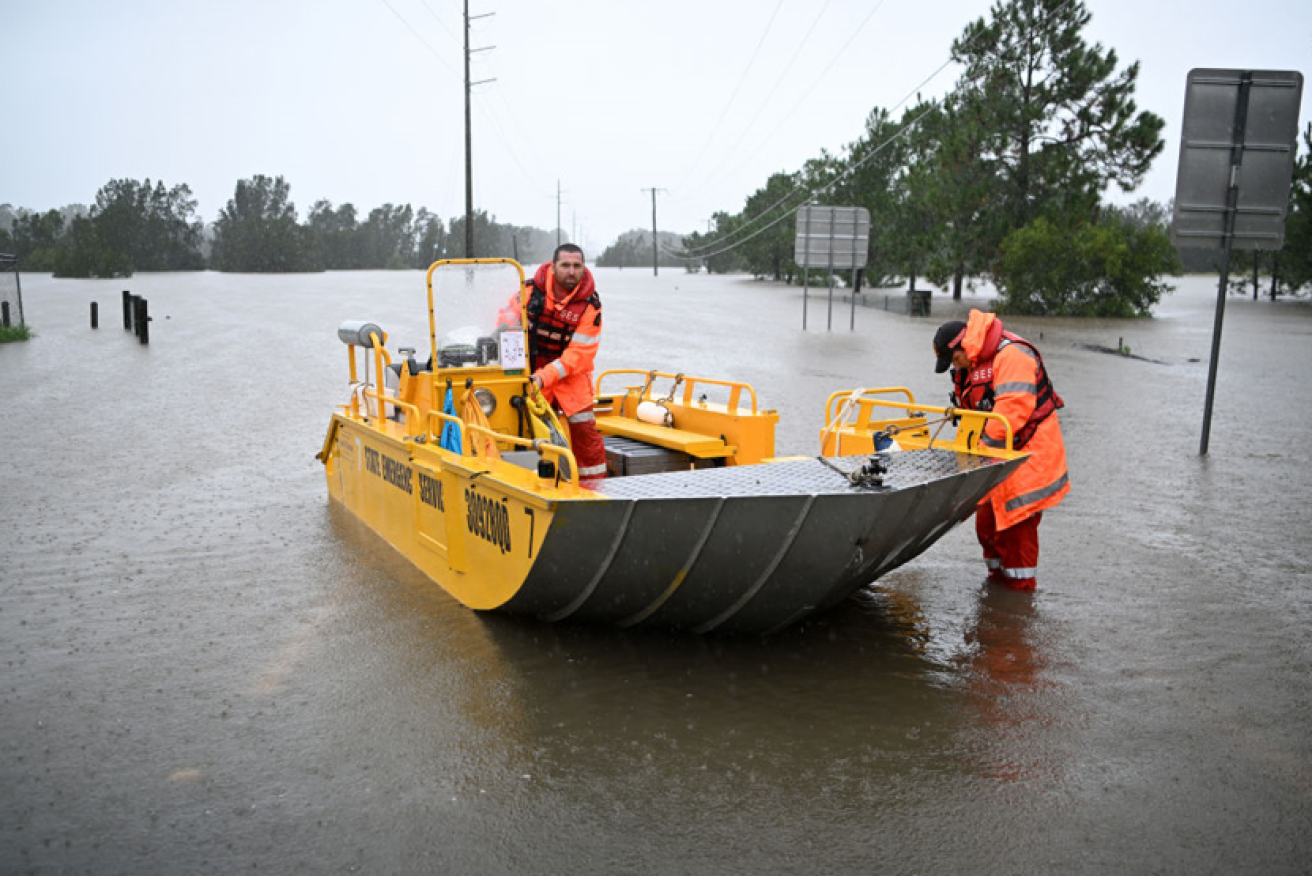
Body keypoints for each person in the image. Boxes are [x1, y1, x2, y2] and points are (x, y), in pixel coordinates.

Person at [933, 309, 1069, 591]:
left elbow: (1011, 412)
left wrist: (977, 455)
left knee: (1016, 533)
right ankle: (996, 592)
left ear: (963, 344)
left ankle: (1018, 602)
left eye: (955, 359)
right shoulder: (975, 362)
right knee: (987, 528)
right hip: (995, 459)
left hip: (1027, 460)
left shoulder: (1012, 355)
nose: (956, 368)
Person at [518, 244, 607, 488]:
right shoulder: (527, 292)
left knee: (585, 436)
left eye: (577, 266)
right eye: (565, 265)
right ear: (553, 266)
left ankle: (594, 489)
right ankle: (533, 484)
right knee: (524, 432)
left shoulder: (591, 306)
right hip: (530, 373)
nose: (571, 271)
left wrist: (544, 377)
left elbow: (578, 355)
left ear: (583, 268)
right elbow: (504, 327)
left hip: (569, 376)